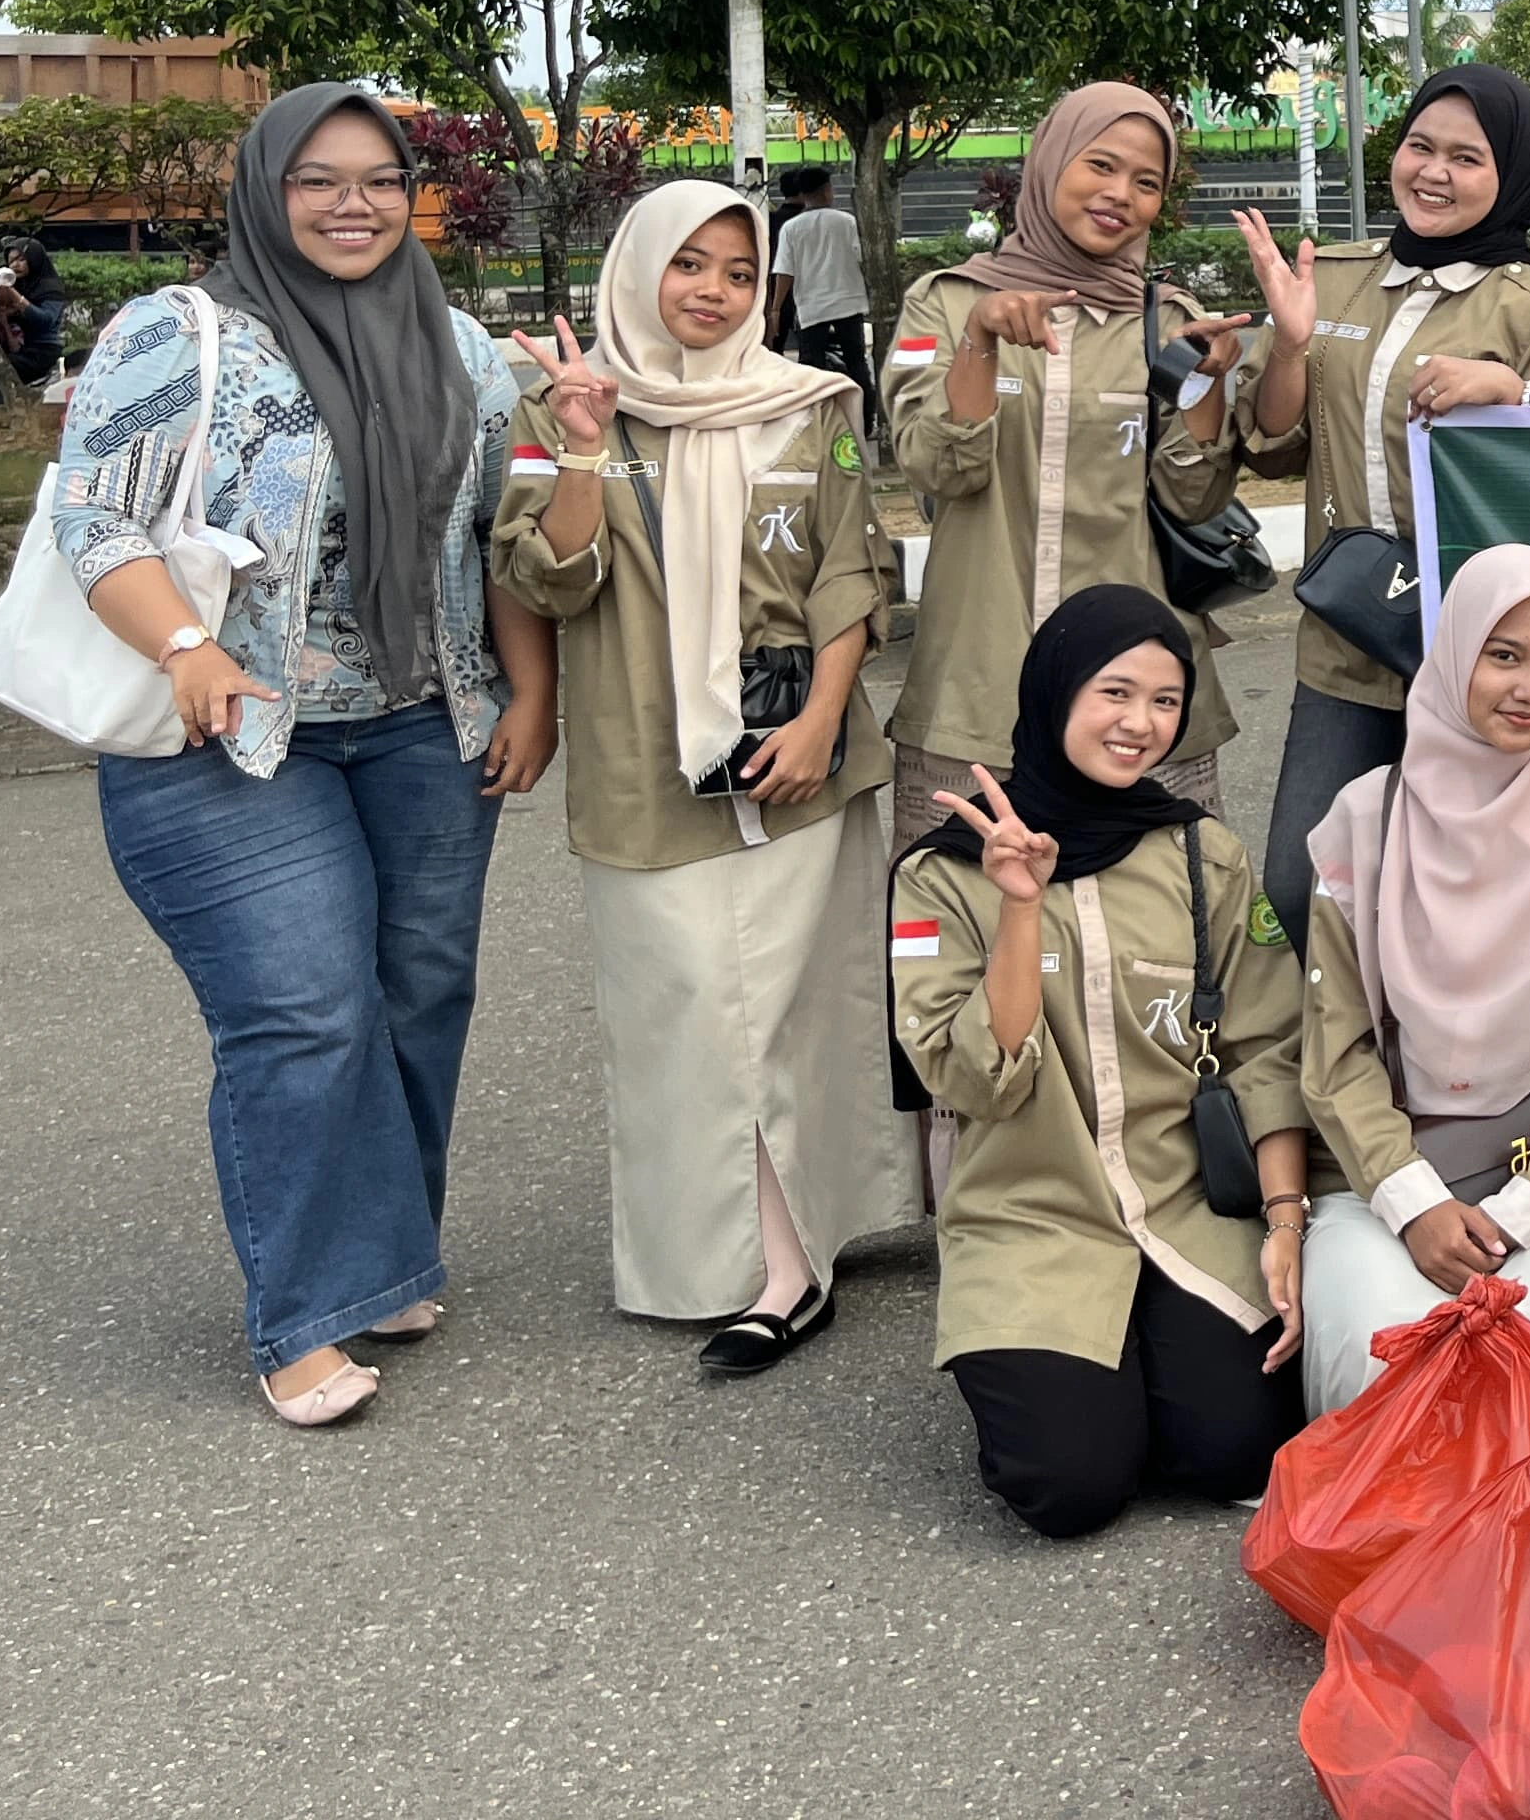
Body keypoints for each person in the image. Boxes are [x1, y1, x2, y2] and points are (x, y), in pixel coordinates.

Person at [52, 84, 550, 1427]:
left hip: (424, 725)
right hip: (225, 732)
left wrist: (533, 690)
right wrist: (184, 647)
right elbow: (93, 521)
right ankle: (304, 1318)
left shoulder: (463, 353)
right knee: (306, 1006)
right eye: (316, 180)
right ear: (265, 193)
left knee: (419, 992)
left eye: (380, 179)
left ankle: (382, 1254)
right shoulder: (179, 336)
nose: (352, 204)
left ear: (411, 194)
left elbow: (498, 537)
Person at [492, 181, 913, 1372]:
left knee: (798, 1010)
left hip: (796, 759)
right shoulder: (563, 408)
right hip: (644, 768)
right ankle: (708, 1256)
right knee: (686, 1020)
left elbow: (851, 571)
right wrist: (581, 448)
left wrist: (828, 719)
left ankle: (793, 1266)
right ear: (638, 267)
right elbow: (545, 580)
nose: (713, 291)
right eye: (689, 264)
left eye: (738, 271)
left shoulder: (813, 404)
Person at [891, 586, 1308, 1536]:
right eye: (1115, 693)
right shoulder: (939, 873)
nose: (1141, 724)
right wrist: (1019, 907)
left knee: (1240, 1452)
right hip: (1032, 1218)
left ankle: (1148, 1363)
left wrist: (1285, 1223)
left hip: (1185, 1208)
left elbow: (1269, 1049)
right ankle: (1092, 1375)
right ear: (1055, 691)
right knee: (1066, 1489)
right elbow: (969, 1080)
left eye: (1165, 701)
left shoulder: (1205, 857)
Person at [1293, 545, 1530, 1417]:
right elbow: (1334, 1048)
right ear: (1457, 652)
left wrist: (1528, 1212)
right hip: (1383, 1173)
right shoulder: (1363, 821)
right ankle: (1399, 1553)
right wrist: (1413, 1201)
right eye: (1504, 655)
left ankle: (1525, 1548)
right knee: (1378, 1363)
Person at [1233, 64, 1530, 938]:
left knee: (1470, 909)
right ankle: (1337, 1069)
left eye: (1467, 158)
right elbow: (1274, 445)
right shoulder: (1344, 279)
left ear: (1511, 175)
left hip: (1489, 660)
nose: (1433, 172)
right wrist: (1289, 346)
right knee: (1303, 889)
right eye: (1419, 147)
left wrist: (1516, 390)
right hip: (1347, 641)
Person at [887, 85, 1248, 850]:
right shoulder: (946, 303)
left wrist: (1209, 382)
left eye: (1146, 182)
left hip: (1136, 706)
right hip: (977, 696)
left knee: (1153, 937)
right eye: (1101, 166)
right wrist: (981, 343)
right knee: (964, 937)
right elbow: (933, 468)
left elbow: (1193, 495)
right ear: (1050, 162)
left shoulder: (1171, 323)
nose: (1121, 195)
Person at [767, 163, 879, 443]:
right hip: (848, 302)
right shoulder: (847, 222)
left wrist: (776, 309)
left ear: (803, 194)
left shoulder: (791, 228)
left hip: (812, 306)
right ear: (827, 191)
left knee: (810, 366)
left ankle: (814, 423)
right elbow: (862, 259)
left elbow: (785, 272)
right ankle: (865, 423)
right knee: (856, 363)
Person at [0, 238, 70, 399]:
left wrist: (16, 298)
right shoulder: (16, 284)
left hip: (41, 351)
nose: (15, 265)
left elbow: (45, 321)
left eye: (21, 259)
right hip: (17, 346)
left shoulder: (49, 287)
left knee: (4, 368)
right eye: (11, 261)